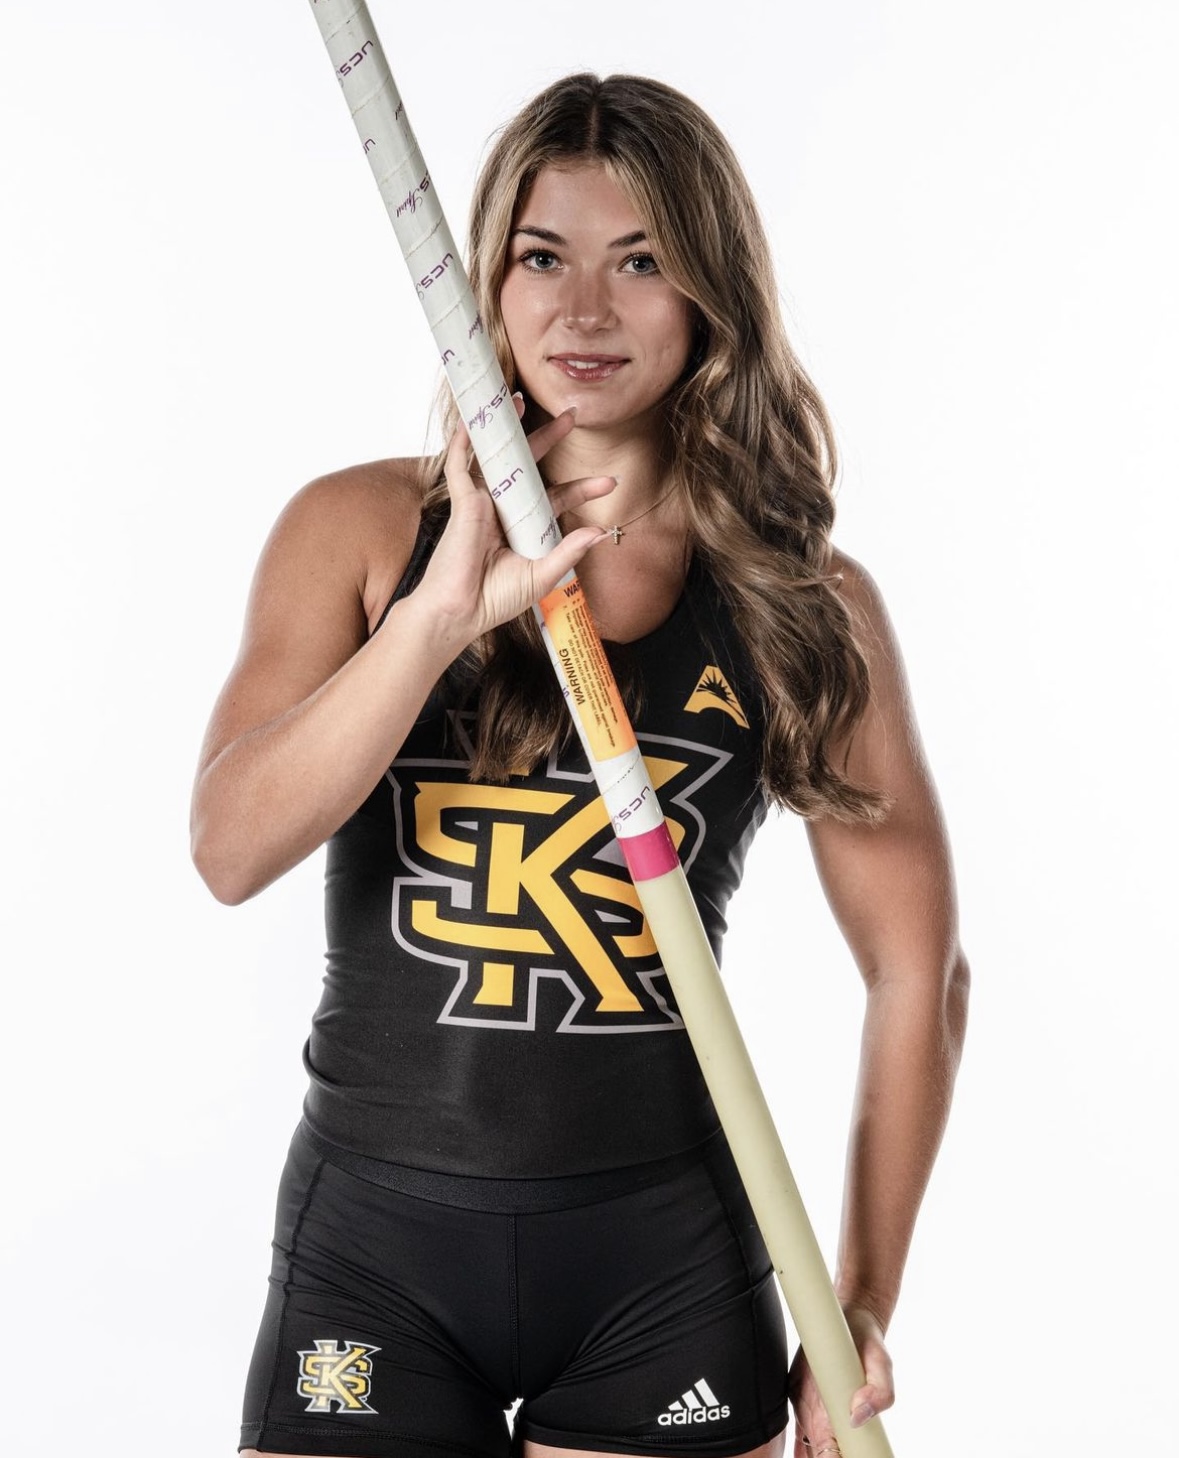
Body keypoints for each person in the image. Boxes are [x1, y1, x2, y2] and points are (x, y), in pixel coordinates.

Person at [192, 72, 968, 1458]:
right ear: (485, 281)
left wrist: (855, 1297)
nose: (584, 311)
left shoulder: (801, 601)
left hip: (661, 1265)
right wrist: (439, 614)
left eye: (641, 261)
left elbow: (919, 970)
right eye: (543, 257)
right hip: (374, 1249)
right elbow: (229, 849)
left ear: (711, 293)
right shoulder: (357, 533)